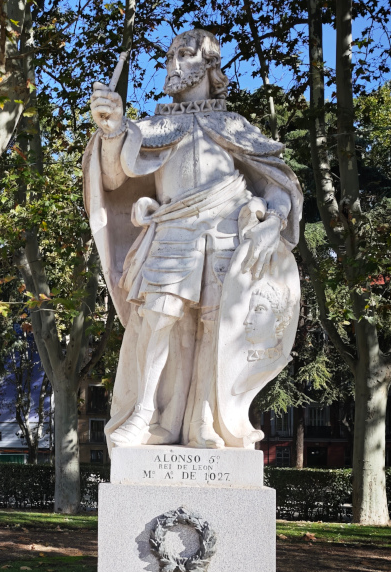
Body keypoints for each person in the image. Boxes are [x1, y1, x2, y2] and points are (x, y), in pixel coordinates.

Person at [84, 29, 303, 449]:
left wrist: (273, 218)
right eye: (170, 56)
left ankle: (203, 419)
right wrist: (112, 129)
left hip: (226, 233)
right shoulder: (154, 125)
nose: (173, 63)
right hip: (174, 230)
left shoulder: (233, 125)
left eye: (184, 55)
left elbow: (277, 183)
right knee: (162, 319)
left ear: (209, 64)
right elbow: (113, 177)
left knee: (214, 327)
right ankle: (148, 415)